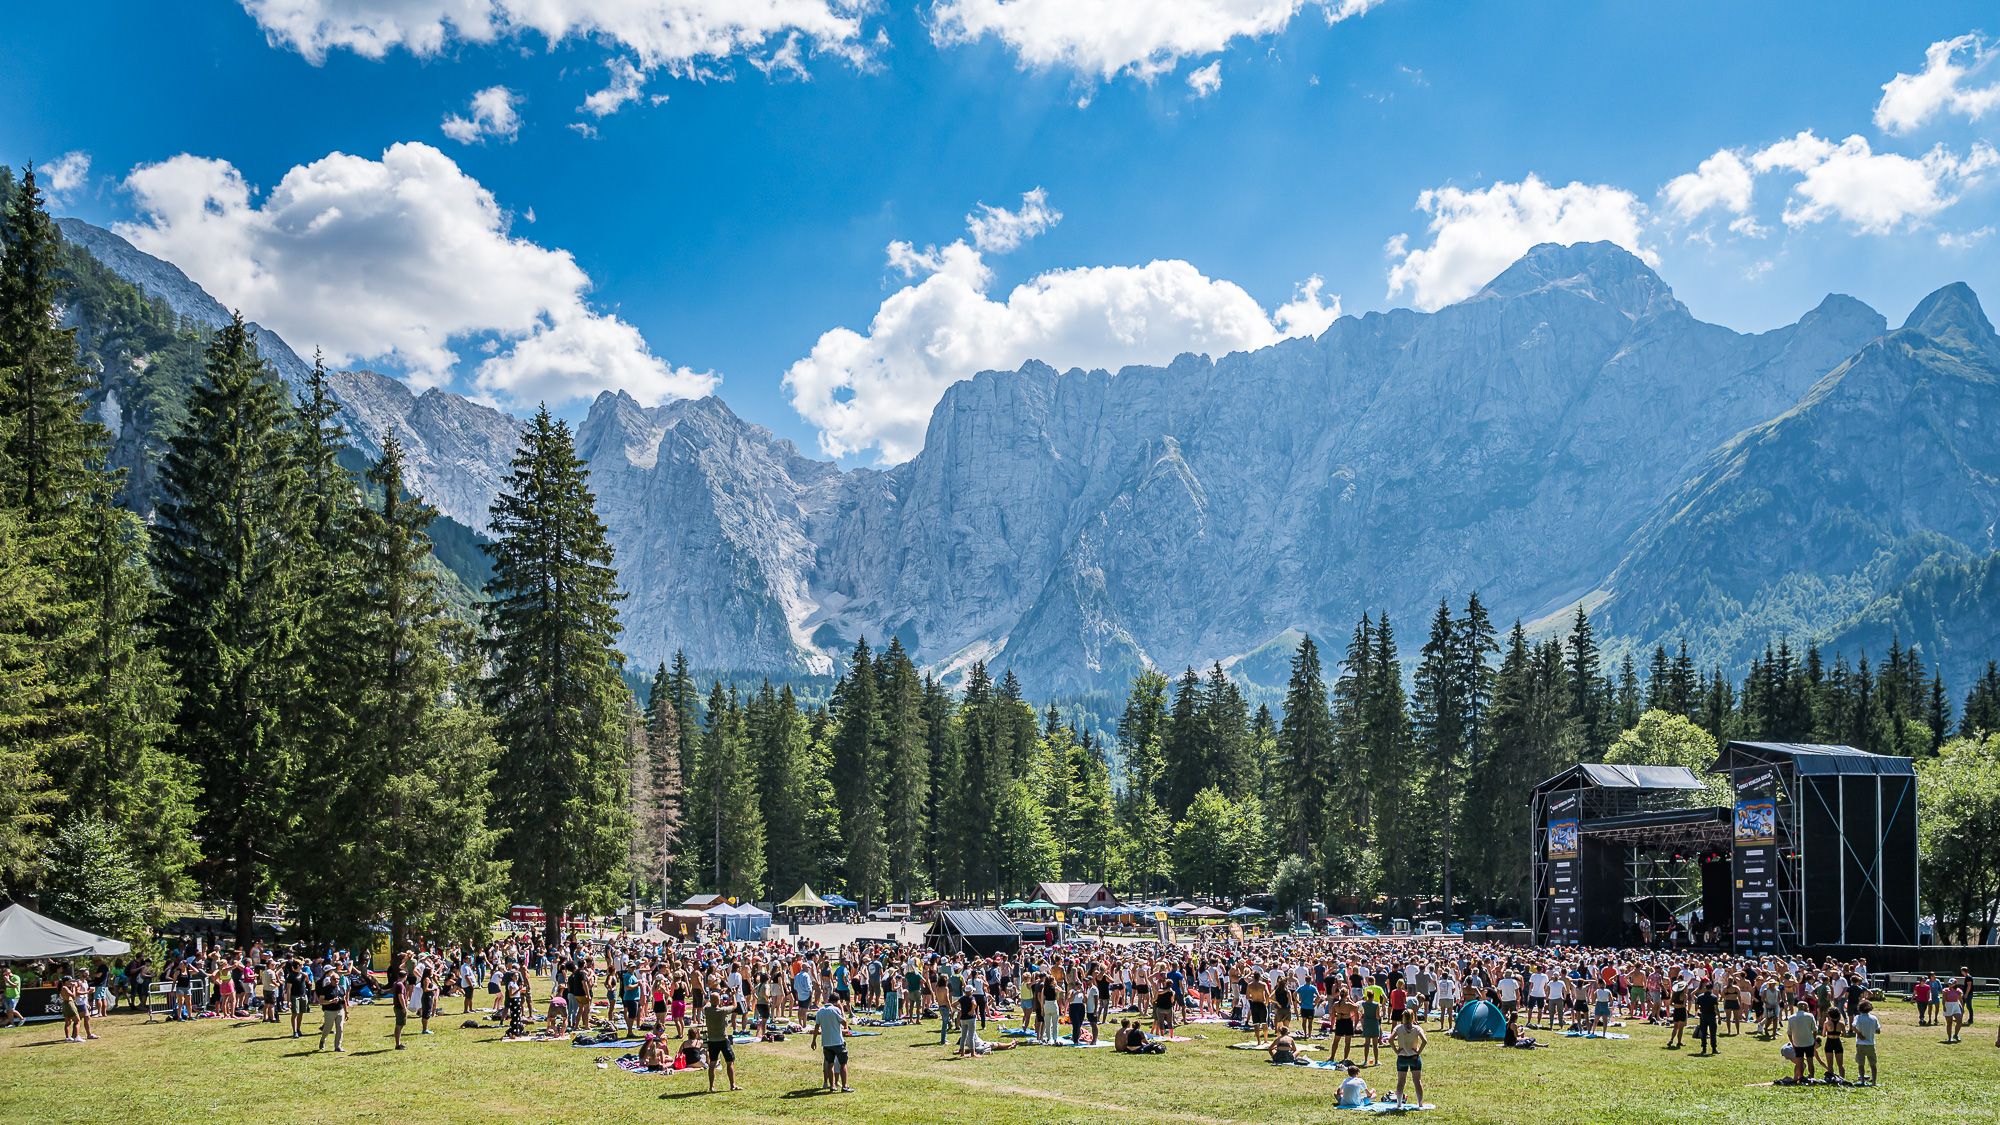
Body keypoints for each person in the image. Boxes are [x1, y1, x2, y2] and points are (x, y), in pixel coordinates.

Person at [811, 997, 853, 1093]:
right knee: (843, 1064)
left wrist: (813, 1041)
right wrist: (845, 1028)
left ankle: (832, 1086)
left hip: (826, 1043)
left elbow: (816, 1027)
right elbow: (843, 1021)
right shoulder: (835, 1010)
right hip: (838, 1042)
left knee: (830, 1065)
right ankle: (845, 1086)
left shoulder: (820, 1011)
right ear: (837, 1001)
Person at [702, 990, 740, 1092]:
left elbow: (707, 1004)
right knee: (730, 1062)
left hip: (712, 1041)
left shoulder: (707, 1011)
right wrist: (733, 995)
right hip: (723, 1040)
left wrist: (711, 998)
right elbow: (735, 1006)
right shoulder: (722, 1011)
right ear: (719, 1001)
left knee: (712, 1064)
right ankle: (732, 1085)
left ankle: (711, 1087)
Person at [1390, 1009, 1427, 1108]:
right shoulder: (1417, 1028)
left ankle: (1398, 1104)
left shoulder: (1398, 1028)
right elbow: (1424, 1041)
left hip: (1402, 1057)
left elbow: (1390, 1040)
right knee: (1417, 1081)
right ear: (1413, 1017)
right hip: (1414, 1057)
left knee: (1401, 1081)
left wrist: (1397, 1051)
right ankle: (1420, 1103)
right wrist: (1418, 1052)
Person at [316, 962, 348, 1052]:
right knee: (327, 1028)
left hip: (340, 1010)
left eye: (338, 979)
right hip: (329, 1011)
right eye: (334, 979)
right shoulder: (326, 989)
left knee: (340, 1028)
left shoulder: (341, 988)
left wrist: (346, 1012)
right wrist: (331, 1001)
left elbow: (344, 1000)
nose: (336, 981)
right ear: (331, 979)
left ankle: (338, 1046)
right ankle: (322, 1040)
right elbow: (321, 1001)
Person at [1784, 1001, 1819, 1083]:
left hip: (1797, 1043)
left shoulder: (1791, 1018)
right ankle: (1812, 1077)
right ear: (1805, 1007)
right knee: (1810, 1061)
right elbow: (1815, 1030)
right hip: (1809, 1042)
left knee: (1799, 1062)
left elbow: (1789, 1033)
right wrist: (1813, 1040)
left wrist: (1792, 1042)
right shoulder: (1810, 1016)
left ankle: (1801, 1077)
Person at [1851, 999, 1880, 1085]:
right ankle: (1874, 1081)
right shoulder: (1874, 1018)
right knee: (1873, 1064)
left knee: (1861, 1064)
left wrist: (1859, 1033)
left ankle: (1862, 1081)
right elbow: (1878, 1030)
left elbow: (1853, 1026)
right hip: (1870, 1044)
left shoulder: (1858, 1017)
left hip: (1860, 1044)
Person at [1694, 980, 1720, 1055]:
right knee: (1713, 1033)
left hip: (1703, 1015)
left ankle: (1704, 1048)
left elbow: (1697, 1006)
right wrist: (1719, 1017)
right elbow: (1716, 1008)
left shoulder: (1700, 997)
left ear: (1705, 988)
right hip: (1711, 1016)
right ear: (1711, 989)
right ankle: (1714, 1048)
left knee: (1703, 1033)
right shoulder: (1714, 997)